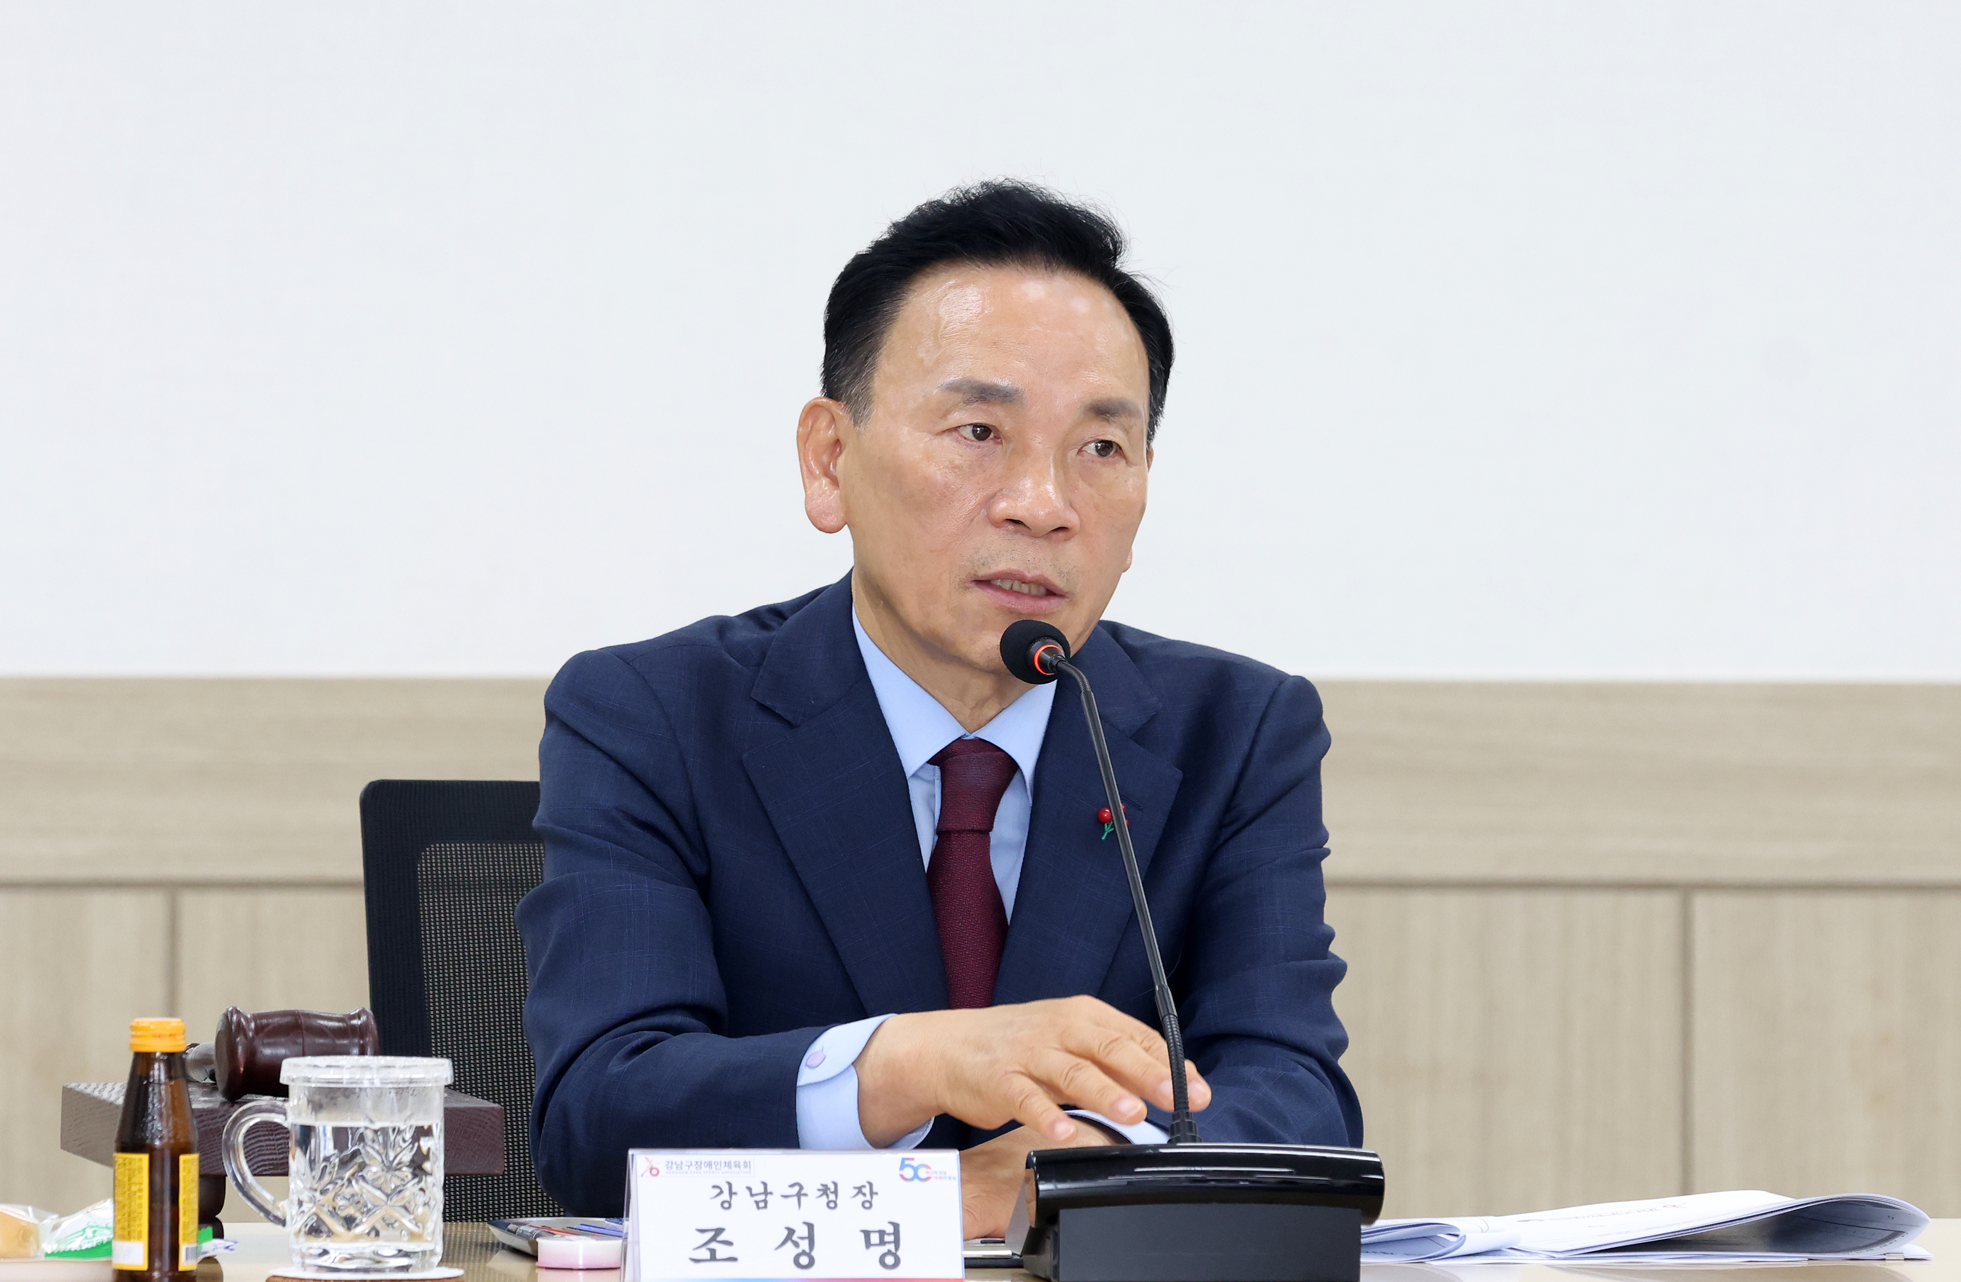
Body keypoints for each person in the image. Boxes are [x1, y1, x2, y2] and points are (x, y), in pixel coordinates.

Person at [518, 181, 1362, 1235]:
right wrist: (909, 1067)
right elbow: (598, 1116)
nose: (1042, 505)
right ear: (829, 461)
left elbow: (1293, 1095)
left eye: (1100, 448)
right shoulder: (654, 713)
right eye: (978, 430)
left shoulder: (1235, 730)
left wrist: (1079, 1173)